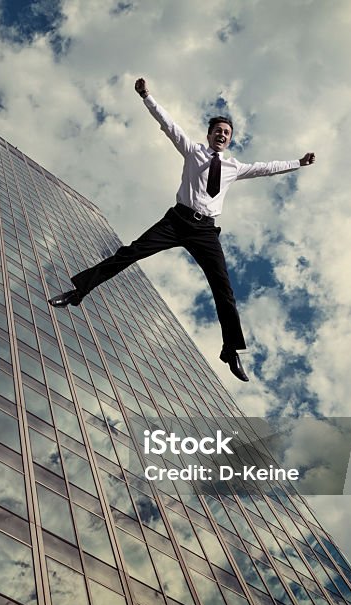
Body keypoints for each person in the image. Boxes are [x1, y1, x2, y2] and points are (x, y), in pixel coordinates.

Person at [48, 77, 315, 382]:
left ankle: (231, 350)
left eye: (227, 134)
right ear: (210, 134)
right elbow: (168, 125)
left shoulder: (234, 168)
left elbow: (266, 168)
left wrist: (299, 162)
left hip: (206, 232)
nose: (222, 136)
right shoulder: (193, 151)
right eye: (218, 131)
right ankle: (79, 291)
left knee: (223, 290)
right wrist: (146, 96)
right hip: (176, 222)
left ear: (229, 140)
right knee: (129, 253)